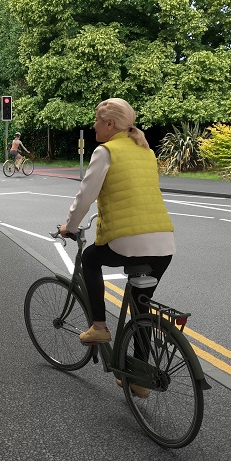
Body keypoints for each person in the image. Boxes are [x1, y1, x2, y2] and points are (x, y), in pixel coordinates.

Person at [58, 98, 175, 391]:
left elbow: (85, 196)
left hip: (128, 240)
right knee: (141, 308)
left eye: (97, 120)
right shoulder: (145, 151)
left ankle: (99, 327)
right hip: (163, 242)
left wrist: (69, 228)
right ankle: (139, 379)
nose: (94, 125)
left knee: (90, 259)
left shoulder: (106, 151)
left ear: (110, 125)